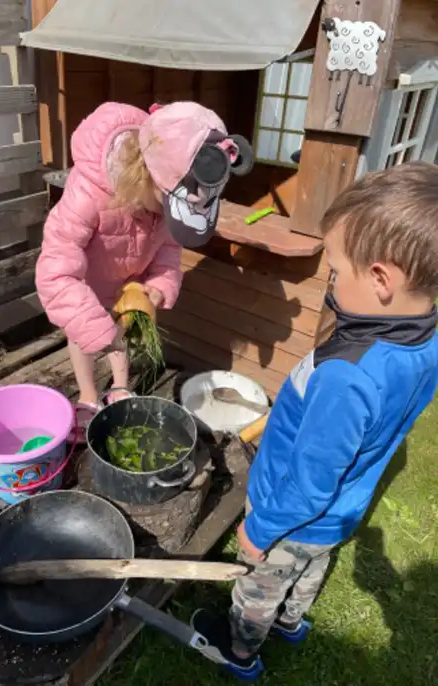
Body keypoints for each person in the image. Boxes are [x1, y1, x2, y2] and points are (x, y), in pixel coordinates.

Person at [191, 161, 438, 680]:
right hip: (339, 515)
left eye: (336, 269)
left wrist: (260, 529)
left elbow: (310, 481)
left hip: (293, 513)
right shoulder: (427, 340)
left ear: (380, 279)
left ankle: (240, 651)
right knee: (310, 567)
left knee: (262, 583)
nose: (330, 281)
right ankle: (292, 623)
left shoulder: (347, 379)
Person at [36, 101, 253, 440]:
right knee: (87, 339)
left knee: (126, 336)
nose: (166, 215)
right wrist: (96, 329)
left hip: (128, 285)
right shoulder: (88, 195)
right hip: (85, 288)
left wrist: (159, 284)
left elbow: (169, 250)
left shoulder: (163, 195)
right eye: (166, 205)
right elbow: (56, 272)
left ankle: (120, 387)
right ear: (147, 175)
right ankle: (89, 395)